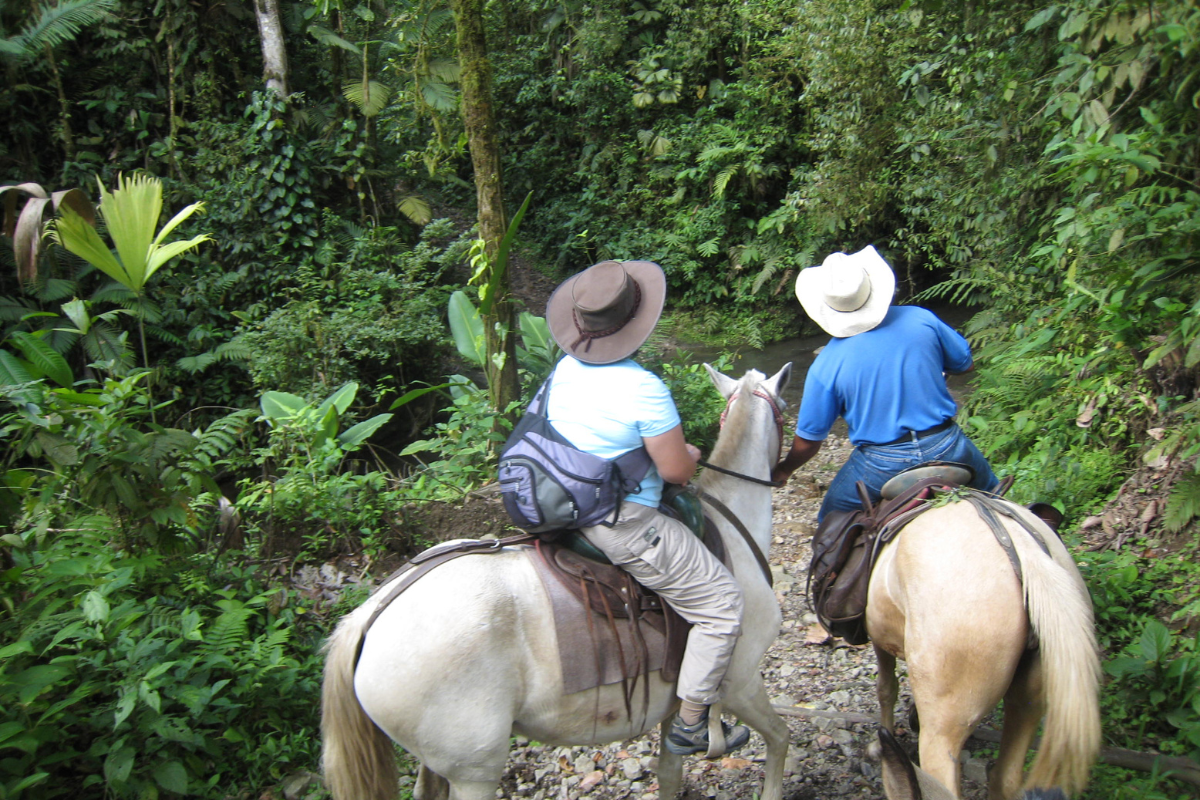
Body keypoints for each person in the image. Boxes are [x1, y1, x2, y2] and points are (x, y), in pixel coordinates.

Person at [543, 259, 749, 757]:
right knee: (723, 606)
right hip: (622, 521)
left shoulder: (564, 369)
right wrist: (691, 455)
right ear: (637, 323)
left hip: (563, 500)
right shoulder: (643, 388)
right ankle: (691, 723)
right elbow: (677, 473)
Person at [771, 245, 999, 520]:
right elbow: (966, 364)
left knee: (830, 521)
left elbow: (809, 441)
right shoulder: (921, 318)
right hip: (946, 444)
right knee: (995, 497)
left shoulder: (825, 365)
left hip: (881, 463)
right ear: (872, 287)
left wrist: (785, 469)